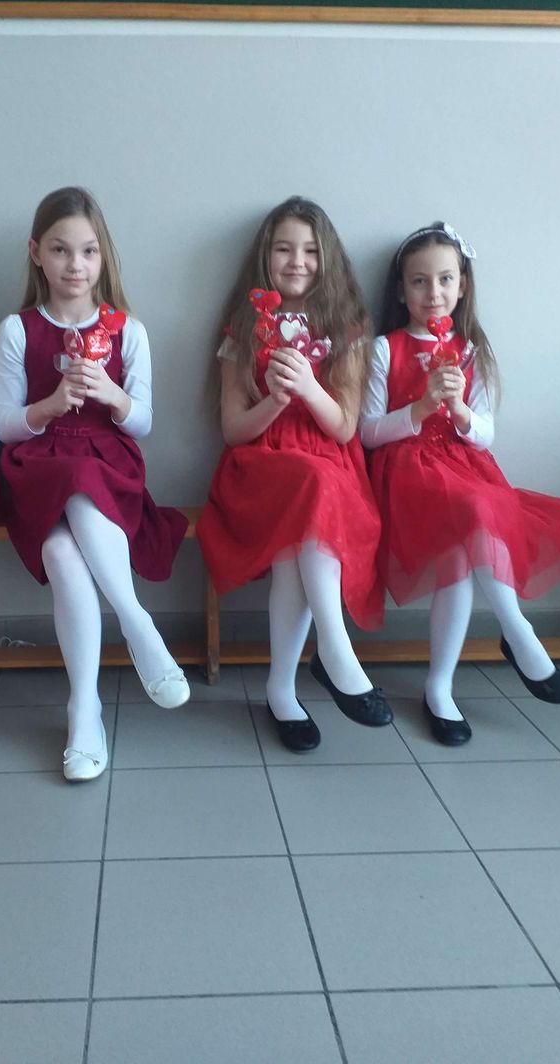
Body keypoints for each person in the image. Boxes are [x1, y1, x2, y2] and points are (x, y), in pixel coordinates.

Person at [360, 221, 560, 745]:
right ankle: (518, 631)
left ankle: (439, 687)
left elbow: (485, 433)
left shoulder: (470, 350)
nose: (434, 292)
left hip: (464, 466)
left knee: (464, 544)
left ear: (463, 284)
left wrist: (461, 410)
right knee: (471, 510)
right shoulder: (385, 349)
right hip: (408, 473)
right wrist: (421, 407)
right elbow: (369, 432)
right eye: (419, 281)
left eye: (445, 279)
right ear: (400, 290)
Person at [0, 186, 189, 782]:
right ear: (36, 253)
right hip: (36, 466)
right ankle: (133, 630)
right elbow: (2, 426)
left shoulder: (129, 331)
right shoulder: (18, 329)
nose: (74, 265)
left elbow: (144, 421)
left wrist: (112, 395)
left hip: (109, 463)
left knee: (68, 526)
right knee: (63, 519)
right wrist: (52, 404)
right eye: (60, 250)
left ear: (104, 256)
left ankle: (88, 704)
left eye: (88, 251)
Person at [197, 196, 391, 753]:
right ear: (266, 256)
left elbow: (345, 426)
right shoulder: (245, 328)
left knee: (297, 551)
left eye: (310, 250)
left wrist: (309, 387)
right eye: (284, 249)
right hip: (260, 465)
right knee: (310, 490)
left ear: (327, 258)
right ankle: (334, 649)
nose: (297, 261)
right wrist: (277, 400)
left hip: (327, 463)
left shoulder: (346, 328)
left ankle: (282, 689)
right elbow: (233, 429)